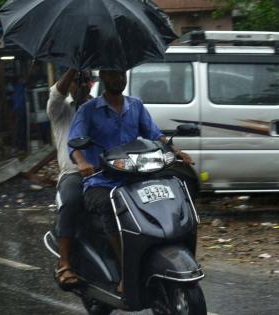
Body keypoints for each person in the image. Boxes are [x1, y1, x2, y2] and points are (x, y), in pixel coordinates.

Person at [68, 70, 193, 292]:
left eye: (122, 75)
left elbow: (155, 135)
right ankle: (126, 271)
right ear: (104, 77)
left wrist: (176, 150)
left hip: (135, 176)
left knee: (169, 190)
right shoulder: (88, 110)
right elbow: (74, 143)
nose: (119, 80)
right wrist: (81, 163)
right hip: (102, 181)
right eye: (114, 75)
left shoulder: (135, 105)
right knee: (111, 206)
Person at [47, 69, 93, 290]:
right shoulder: (61, 109)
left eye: (85, 80)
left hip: (104, 174)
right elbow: (56, 93)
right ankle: (64, 262)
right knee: (72, 200)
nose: (80, 85)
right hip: (73, 174)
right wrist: (74, 68)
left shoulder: (99, 107)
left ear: (92, 83)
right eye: (76, 82)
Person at [11, 76, 28, 153]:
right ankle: (18, 147)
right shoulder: (20, 87)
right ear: (19, 80)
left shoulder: (17, 88)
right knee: (19, 129)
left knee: (19, 128)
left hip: (18, 109)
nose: (23, 79)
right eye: (21, 78)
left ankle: (18, 147)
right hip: (20, 109)